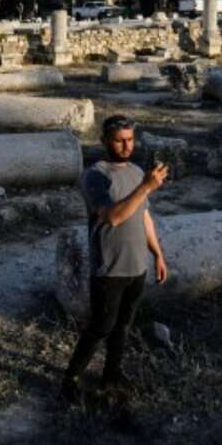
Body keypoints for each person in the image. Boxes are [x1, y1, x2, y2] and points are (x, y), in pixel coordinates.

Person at [61, 114, 169, 404]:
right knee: (101, 327)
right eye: (120, 140)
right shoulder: (95, 175)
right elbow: (113, 217)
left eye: (130, 139)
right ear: (105, 141)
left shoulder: (135, 171)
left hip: (137, 266)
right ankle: (70, 378)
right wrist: (146, 186)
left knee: (123, 326)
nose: (126, 146)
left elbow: (144, 216)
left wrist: (157, 254)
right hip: (109, 269)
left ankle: (111, 373)